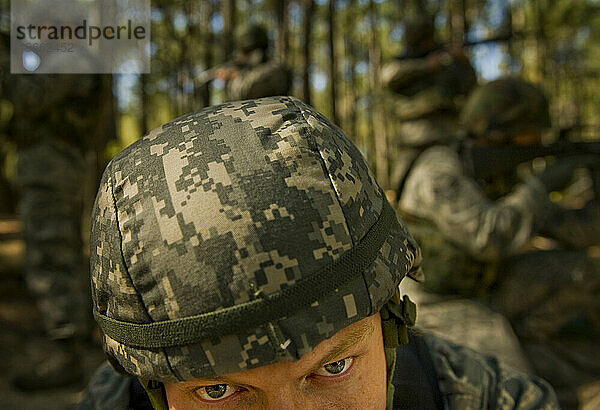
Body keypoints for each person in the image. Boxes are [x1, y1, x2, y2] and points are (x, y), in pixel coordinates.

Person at [78, 96, 558, 409]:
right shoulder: (111, 402)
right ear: (155, 391)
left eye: (334, 367)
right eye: (218, 390)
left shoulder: (480, 397)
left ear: (391, 327)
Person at [396, 77, 600, 408]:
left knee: (586, 271)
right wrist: (541, 185)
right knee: (518, 394)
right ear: (502, 130)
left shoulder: (505, 173)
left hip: (493, 284)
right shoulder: (438, 169)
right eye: (531, 133)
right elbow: (487, 236)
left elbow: (579, 233)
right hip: (441, 302)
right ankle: (517, 348)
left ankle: (531, 337)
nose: (537, 140)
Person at [1, 36, 113, 389]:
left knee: (50, 255)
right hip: (51, 167)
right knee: (58, 252)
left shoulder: (70, 57)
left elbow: (28, 97)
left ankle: (67, 354)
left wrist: (5, 60)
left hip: (52, 169)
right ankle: (77, 346)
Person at [381, 15, 476, 197]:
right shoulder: (405, 63)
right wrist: (426, 66)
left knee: (458, 185)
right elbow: (388, 76)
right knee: (399, 187)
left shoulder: (447, 63)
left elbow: (469, 86)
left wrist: (464, 62)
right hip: (413, 135)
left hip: (447, 133)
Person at [196, 24, 290, 102]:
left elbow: (243, 91)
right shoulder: (249, 70)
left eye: (246, 52)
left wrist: (232, 76)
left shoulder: (274, 70)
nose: (240, 56)